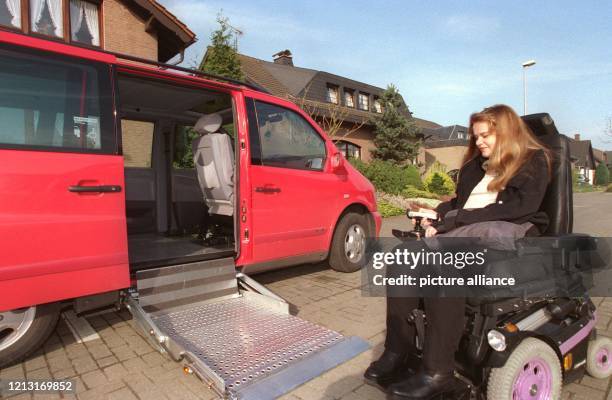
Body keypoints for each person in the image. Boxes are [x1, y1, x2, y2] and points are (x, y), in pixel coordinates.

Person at [364, 104, 552, 399]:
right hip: (469, 231)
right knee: (401, 260)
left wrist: (451, 222)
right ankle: (397, 350)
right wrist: (437, 212)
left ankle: (439, 372)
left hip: (508, 236)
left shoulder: (532, 160)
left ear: (507, 133)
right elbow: (462, 205)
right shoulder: (477, 166)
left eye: (485, 135)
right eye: (476, 137)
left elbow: (519, 208)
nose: (478, 143)